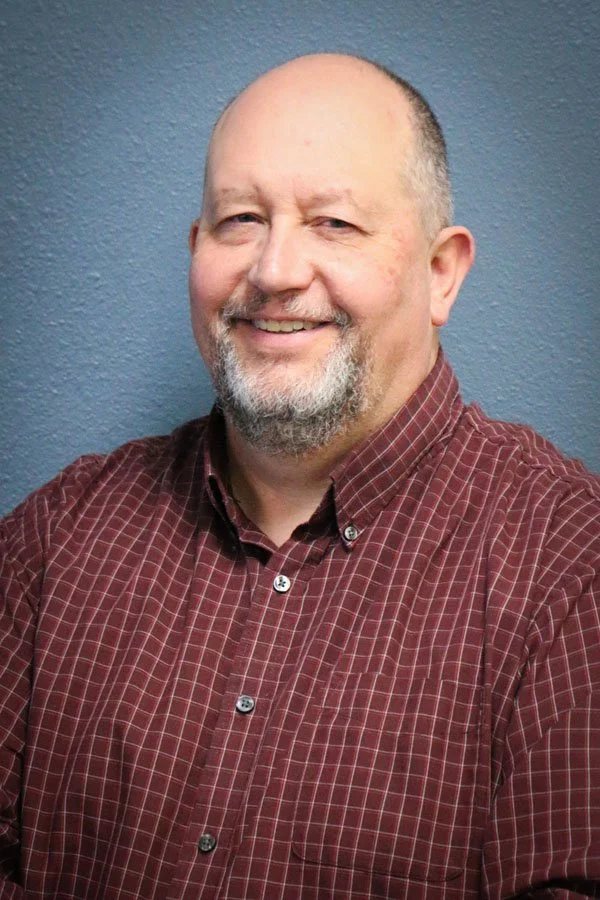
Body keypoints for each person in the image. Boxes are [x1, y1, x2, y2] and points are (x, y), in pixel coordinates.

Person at [1, 52, 598, 900]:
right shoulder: (58, 536)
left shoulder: (569, 567)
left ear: (441, 274)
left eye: (334, 223)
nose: (275, 271)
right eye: (240, 219)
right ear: (196, 250)